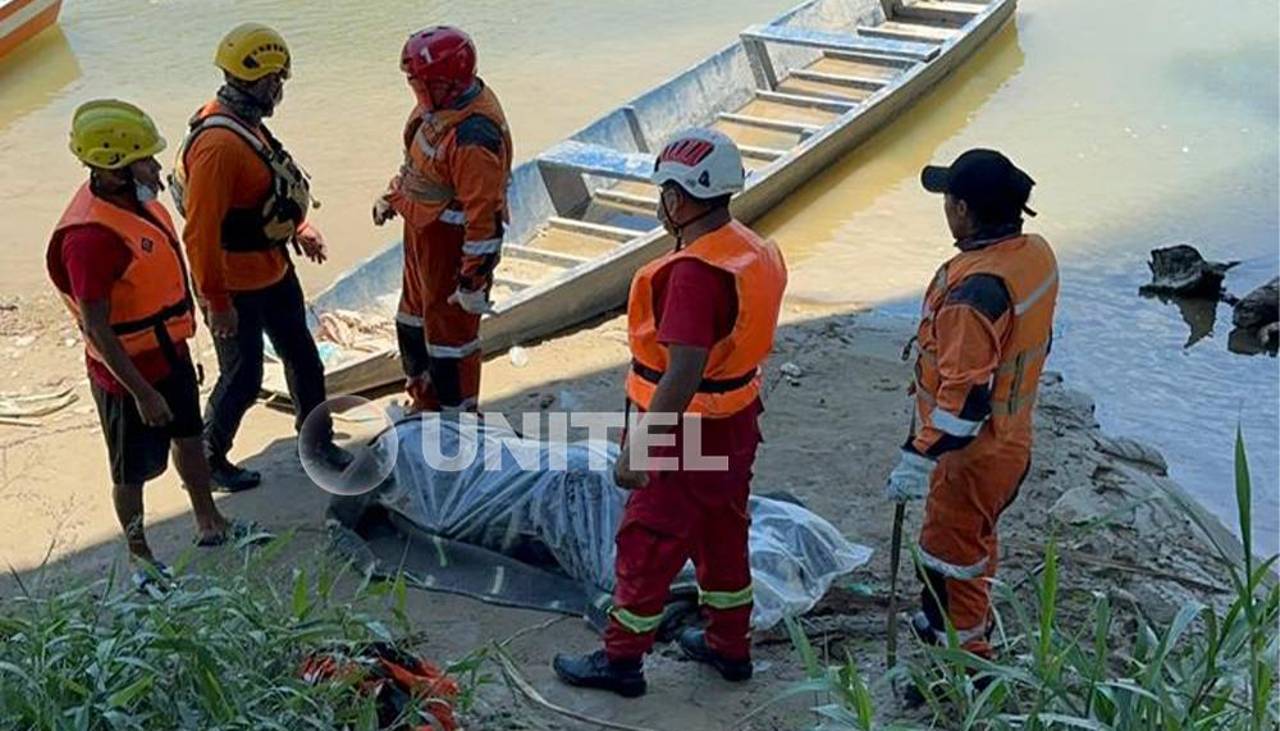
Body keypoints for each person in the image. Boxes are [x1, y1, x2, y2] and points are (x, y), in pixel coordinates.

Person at [553, 129, 788, 698]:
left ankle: (621, 660)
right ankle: (729, 645)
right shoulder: (751, 250)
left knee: (648, 539)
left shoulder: (693, 274)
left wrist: (640, 448)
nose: (661, 204)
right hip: (735, 418)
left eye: (663, 193)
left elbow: (683, 371)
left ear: (678, 200)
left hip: (688, 429)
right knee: (721, 532)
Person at [46, 100, 253, 590]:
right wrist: (141, 392)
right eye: (145, 161)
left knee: (189, 438)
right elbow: (97, 328)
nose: (157, 169)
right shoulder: (89, 239)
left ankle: (209, 520)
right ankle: (140, 555)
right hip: (125, 372)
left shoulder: (138, 204)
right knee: (130, 471)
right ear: (113, 169)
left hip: (168, 351)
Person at [885, 149, 1058, 673]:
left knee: (949, 558)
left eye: (948, 200)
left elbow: (963, 404)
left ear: (962, 210)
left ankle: (961, 667)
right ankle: (956, 629)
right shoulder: (1033, 256)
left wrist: (917, 458)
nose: (945, 209)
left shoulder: (973, 296)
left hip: (972, 456)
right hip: (1011, 438)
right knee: (974, 543)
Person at [169, 22, 348, 491]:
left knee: (304, 360)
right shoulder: (218, 146)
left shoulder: (244, 122)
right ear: (263, 80)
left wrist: (298, 227)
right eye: (278, 80)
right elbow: (200, 234)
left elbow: (264, 191)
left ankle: (317, 442)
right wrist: (216, 301)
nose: (281, 89)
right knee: (243, 376)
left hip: (272, 270)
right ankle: (208, 457)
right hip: (233, 286)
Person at [373, 26, 512, 413]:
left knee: (451, 345)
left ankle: (457, 419)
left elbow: (484, 220)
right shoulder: (437, 111)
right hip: (422, 240)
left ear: (446, 83)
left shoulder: (473, 136)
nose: (415, 91)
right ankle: (423, 401)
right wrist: (393, 196)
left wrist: (472, 280)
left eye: (420, 83)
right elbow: (419, 166)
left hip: (450, 250)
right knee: (411, 325)